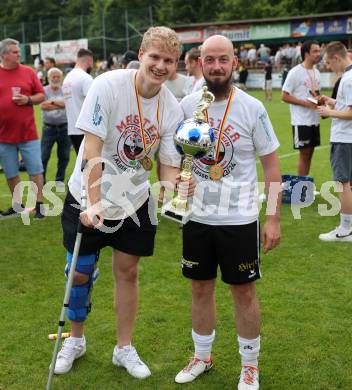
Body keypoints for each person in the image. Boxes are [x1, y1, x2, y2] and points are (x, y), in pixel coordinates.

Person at [53, 26, 190, 379]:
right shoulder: (108, 85)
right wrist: (94, 202)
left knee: (128, 273)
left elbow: (169, 163)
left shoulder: (171, 108)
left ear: (175, 65)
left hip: (135, 200)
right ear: (141, 55)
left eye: (168, 61)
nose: (160, 66)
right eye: (155, 57)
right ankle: (76, 340)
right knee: (79, 273)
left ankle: (123, 348)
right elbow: (93, 148)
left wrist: (177, 189)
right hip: (88, 192)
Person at [175, 35, 281, 390]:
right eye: (210, 60)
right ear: (199, 63)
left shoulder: (252, 107)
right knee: (200, 289)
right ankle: (202, 356)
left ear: (235, 62)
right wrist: (177, 184)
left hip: (238, 219)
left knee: (244, 292)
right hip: (197, 218)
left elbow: (271, 165)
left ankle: (249, 365)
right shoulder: (188, 104)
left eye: (223, 59)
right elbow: (175, 160)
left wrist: (273, 218)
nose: (217, 66)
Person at [0, 38, 45, 219]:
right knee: (11, 173)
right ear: (4, 55)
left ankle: (40, 205)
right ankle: (18, 205)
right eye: (15, 52)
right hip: (3, 135)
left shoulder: (28, 71)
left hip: (28, 134)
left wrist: (27, 100)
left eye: (19, 52)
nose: (19, 54)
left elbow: (41, 95)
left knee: (35, 170)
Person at [317, 42, 352, 242]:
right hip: (347, 137)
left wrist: (329, 112)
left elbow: (351, 112)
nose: (329, 67)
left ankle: (345, 229)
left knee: (342, 183)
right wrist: (333, 103)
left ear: (337, 58)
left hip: (344, 138)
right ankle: (347, 227)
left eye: (329, 63)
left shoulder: (348, 79)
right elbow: (347, 106)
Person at [282, 40, 321, 176]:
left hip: (314, 119)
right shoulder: (295, 72)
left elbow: (315, 93)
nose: (318, 54)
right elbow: (285, 96)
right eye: (315, 51)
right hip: (301, 120)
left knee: (310, 152)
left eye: (319, 50)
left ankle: (305, 186)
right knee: (304, 154)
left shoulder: (316, 71)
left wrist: (320, 100)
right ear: (306, 53)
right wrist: (306, 103)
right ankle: (301, 189)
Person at [40, 67, 70, 186]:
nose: (56, 79)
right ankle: (41, 181)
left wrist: (51, 102)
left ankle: (59, 180)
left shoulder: (65, 90)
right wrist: (59, 104)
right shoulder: (43, 90)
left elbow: (67, 104)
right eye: (54, 76)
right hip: (48, 128)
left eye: (58, 76)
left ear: (61, 78)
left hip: (64, 128)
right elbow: (42, 106)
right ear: (49, 78)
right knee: (43, 157)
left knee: (64, 156)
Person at [62, 48, 94, 154]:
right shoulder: (85, 78)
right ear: (89, 61)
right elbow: (95, 103)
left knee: (82, 167)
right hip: (86, 131)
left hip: (72, 130)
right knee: (92, 167)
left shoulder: (67, 78)